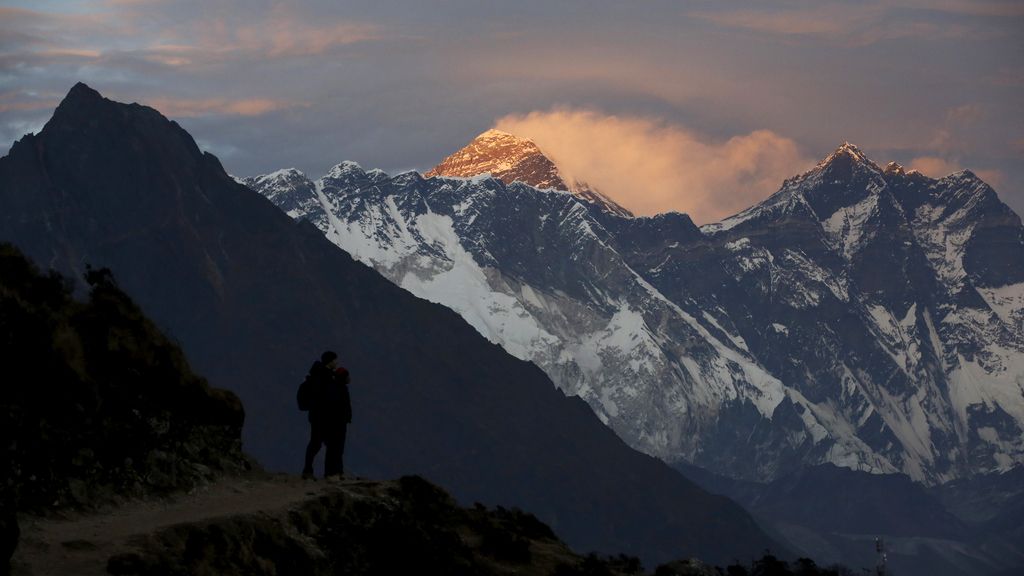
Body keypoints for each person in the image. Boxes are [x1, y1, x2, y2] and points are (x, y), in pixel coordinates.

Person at [301, 350, 352, 480]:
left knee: (318, 443)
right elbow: (326, 399)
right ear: (330, 361)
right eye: (335, 360)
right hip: (322, 417)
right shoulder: (324, 377)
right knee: (320, 443)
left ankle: (314, 471)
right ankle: (318, 472)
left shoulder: (323, 375)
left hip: (319, 416)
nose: (337, 362)